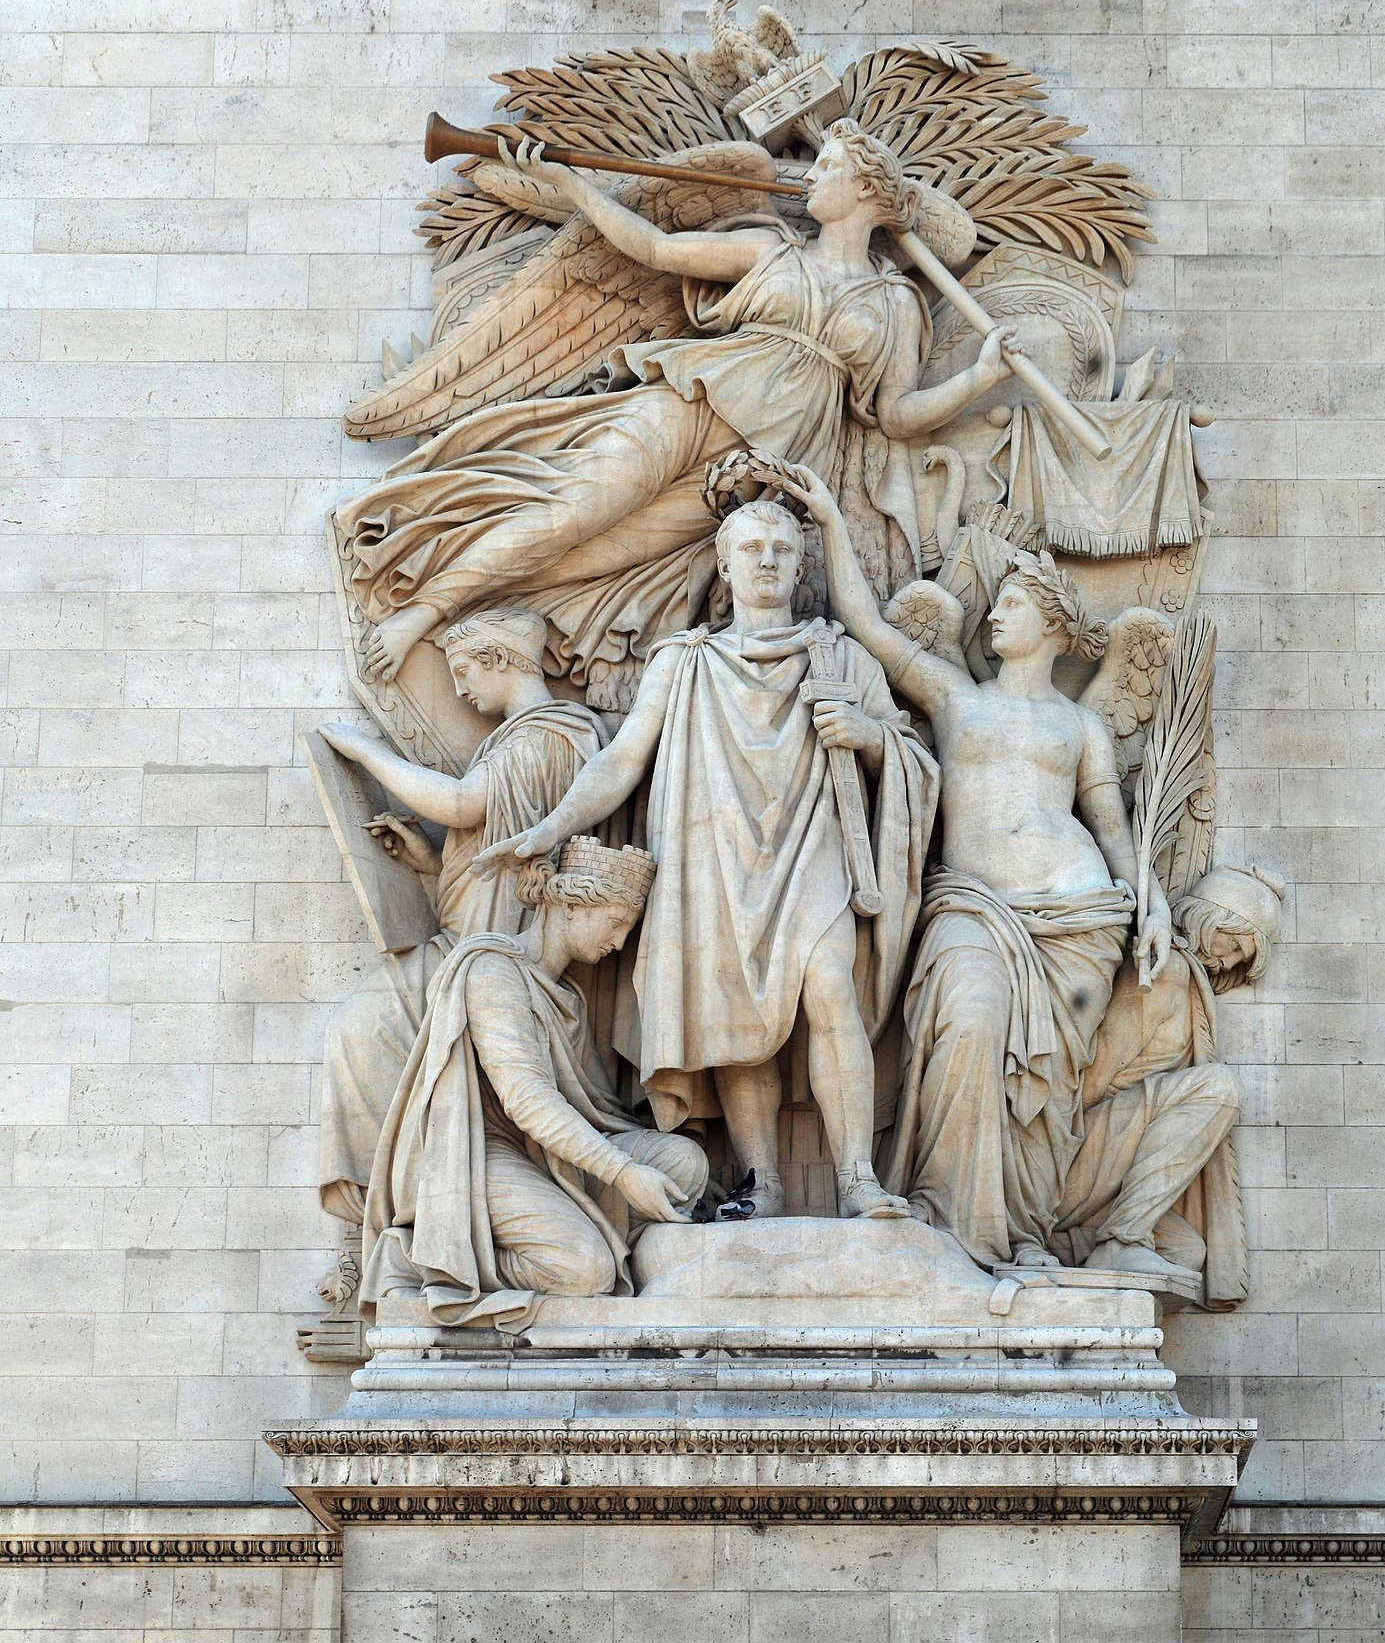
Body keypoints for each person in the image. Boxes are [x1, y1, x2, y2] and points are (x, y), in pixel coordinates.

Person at [334, 120, 1023, 707]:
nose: (812, 178)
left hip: (756, 471)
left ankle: (477, 626)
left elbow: (896, 416)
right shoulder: (770, 249)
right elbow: (656, 250)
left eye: (830, 168)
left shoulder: (895, 301)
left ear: (867, 190)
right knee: (575, 510)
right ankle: (420, 610)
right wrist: (573, 185)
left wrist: (978, 377)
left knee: (603, 555)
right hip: (696, 398)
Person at [474, 496, 938, 1222]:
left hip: (814, 850)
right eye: (751, 548)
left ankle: (858, 1180)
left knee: (829, 990)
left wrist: (870, 738)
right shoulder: (685, 662)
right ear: (724, 564)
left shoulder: (841, 656)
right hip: (715, 855)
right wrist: (551, 827)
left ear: (800, 564)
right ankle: (763, 1182)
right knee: (734, 1014)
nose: (767, 562)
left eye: (782, 550)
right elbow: (624, 758)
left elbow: (912, 751)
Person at [779, 462, 1171, 1270]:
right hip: (972, 907)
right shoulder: (956, 696)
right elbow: (863, 619)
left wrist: (1153, 905)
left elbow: (1111, 827)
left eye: (1015, 604)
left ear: (1055, 623)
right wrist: (827, 518)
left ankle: (1020, 1231)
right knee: (969, 1025)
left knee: (1045, 1088)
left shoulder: (1081, 727)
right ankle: (955, 1226)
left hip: (1078, 915)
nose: (996, 616)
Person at [314, 607, 604, 1228]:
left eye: (465, 671)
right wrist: (428, 866)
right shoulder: (517, 739)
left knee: (361, 1029)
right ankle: (396, 1210)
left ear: (500, 660)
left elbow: (463, 804)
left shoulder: (550, 734)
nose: (462, 689)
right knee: (363, 1033)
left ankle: (395, 1213)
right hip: (468, 937)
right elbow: (488, 841)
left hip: (488, 954)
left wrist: (367, 752)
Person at [361, 838, 709, 1326]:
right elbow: (527, 1099)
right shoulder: (493, 971)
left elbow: (592, 1108)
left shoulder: (568, 997)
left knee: (685, 1163)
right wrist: (624, 1172)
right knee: (583, 1270)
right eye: (616, 924)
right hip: (480, 1152)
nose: (619, 943)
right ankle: (438, 1258)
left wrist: (639, 1154)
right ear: (570, 905)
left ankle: (590, 1230)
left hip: (548, 1153)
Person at [1052, 862, 1282, 1300]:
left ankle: (1062, 1244)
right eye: (1232, 943)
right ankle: (1120, 1240)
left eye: (1241, 958)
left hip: (1107, 1165)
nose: (1228, 960)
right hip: (1073, 1154)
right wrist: (1051, 1158)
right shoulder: (1167, 971)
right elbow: (1092, 1076)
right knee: (1218, 1089)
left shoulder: (1186, 979)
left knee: (1186, 1250)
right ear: (1206, 917)